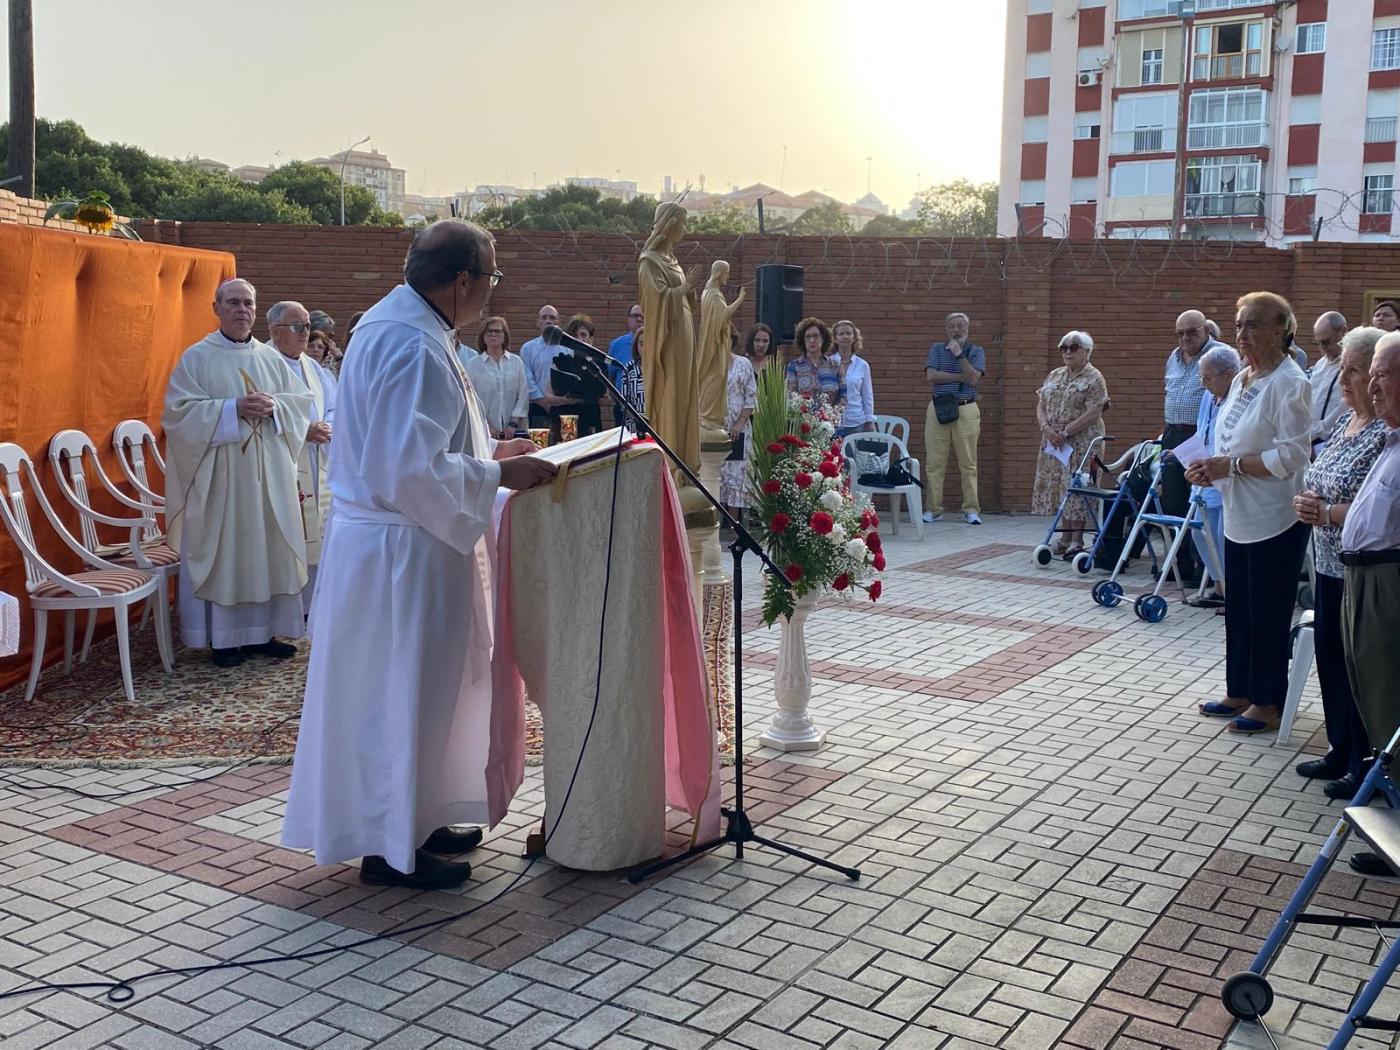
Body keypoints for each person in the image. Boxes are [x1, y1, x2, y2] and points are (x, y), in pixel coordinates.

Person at [282, 219, 557, 890]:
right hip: (399, 554)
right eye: (490, 278)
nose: (491, 293)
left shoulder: (406, 326)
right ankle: (388, 848)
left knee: (427, 691)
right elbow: (409, 469)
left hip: (402, 546)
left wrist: (494, 453)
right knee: (396, 694)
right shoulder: (411, 343)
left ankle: (423, 814)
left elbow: (413, 442)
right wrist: (498, 477)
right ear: (461, 279)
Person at [161, 278, 315, 668]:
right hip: (222, 478)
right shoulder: (196, 358)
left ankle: (264, 633)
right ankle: (225, 639)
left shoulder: (270, 358)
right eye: (232, 302)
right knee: (228, 550)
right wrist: (231, 409)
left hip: (269, 475)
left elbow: (299, 406)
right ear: (216, 308)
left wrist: (275, 408)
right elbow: (177, 415)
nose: (241, 309)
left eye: (247, 303)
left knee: (269, 548)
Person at [1186, 291, 1312, 736]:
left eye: (1254, 324)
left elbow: (1293, 455)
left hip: (1275, 515)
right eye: (1239, 324)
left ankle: (1268, 700)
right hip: (1238, 509)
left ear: (1281, 330)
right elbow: (1230, 440)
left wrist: (1233, 466)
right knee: (1239, 606)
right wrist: (1209, 467)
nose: (1243, 333)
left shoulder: (1290, 381)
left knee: (1268, 610)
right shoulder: (1243, 378)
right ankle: (1239, 689)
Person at [1290, 327, 1387, 798]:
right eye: (1342, 367)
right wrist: (1309, 503)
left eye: (1353, 368)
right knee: (1329, 658)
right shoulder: (1344, 424)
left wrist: (1325, 512)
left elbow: (1376, 506)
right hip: (1327, 562)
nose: (1343, 378)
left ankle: (1362, 761)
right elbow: (1322, 477)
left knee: (1356, 668)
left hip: (1363, 570)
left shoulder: (1382, 433)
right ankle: (1339, 746)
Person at [1334, 333, 1400, 876]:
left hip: (1388, 586)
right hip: (1362, 581)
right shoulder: (1391, 440)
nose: (1373, 386)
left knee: (1391, 705)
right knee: (1377, 707)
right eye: (1370, 374)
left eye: (1385, 373)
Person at [266, 300, 335, 614]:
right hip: (281, 460)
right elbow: (262, 414)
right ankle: (287, 609)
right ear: (275, 330)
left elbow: (334, 405)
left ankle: (312, 604)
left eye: (307, 326)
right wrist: (301, 429)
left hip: (317, 456)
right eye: (297, 326)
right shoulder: (263, 362)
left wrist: (326, 427)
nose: (305, 333)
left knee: (317, 531)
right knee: (287, 535)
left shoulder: (313, 367)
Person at [1160, 310, 1230, 586]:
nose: (1185, 338)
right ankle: (1183, 564)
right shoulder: (1174, 358)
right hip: (1174, 433)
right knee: (1176, 499)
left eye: (1191, 332)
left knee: (1204, 502)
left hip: (1203, 437)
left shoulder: (1220, 355)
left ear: (1206, 330)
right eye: (1180, 333)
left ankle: (1209, 571)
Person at [1031, 331, 1109, 556]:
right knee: (1060, 485)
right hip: (1054, 441)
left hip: (1082, 442)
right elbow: (1041, 404)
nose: (1067, 352)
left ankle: (1077, 539)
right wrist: (1046, 429)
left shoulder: (1094, 377)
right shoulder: (1055, 374)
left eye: (1073, 347)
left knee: (1078, 485)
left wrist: (1066, 432)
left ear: (1086, 351)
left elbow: (1095, 410)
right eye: (1063, 347)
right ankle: (1064, 537)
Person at [1187, 344, 1242, 598]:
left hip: (1225, 472)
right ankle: (1218, 580)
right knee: (1198, 528)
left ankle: (1231, 588)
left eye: (1207, 377)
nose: (1203, 382)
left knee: (1222, 532)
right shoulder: (1209, 397)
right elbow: (1202, 430)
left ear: (1229, 374)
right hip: (1202, 469)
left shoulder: (1239, 397)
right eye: (1202, 376)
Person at [923, 311, 985, 525]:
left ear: (967, 328)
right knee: (934, 462)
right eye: (952, 326)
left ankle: (971, 509)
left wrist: (960, 355)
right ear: (946, 329)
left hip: (966, 408)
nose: (956, 330)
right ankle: (933, 508)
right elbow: (931, 376)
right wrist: (961, 377)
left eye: (960, 326)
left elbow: (974, 380)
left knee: (968, 463)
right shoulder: (936, 349)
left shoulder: (975, 351)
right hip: (939, 407)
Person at [464, 315, 528, 440]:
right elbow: (472, 400)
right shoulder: (473, 364)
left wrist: (512, 424)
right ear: (483, 336)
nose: (493, 334)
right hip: (485, 432)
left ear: (505, 336)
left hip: (515, 431)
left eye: (498, 331)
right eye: (489, 331)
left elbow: (523, 395)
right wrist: (487, 426)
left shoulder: (516, 362)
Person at [719, 326, 758, 519]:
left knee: (737, 477)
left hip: (739, 429)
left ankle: (735, 529)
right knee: (717, 476)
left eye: (725, 337)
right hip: (714, 429)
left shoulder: (744, 364)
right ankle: (714, 529)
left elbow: (751, 396)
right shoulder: (705, 364)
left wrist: (739, 422)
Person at [519, 304, 565, 428]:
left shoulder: (568, 349)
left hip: (564, 408)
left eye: (552, 317)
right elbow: (527, 379)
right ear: (538, 322)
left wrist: (560, 401)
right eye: (544, 317)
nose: (548, 321)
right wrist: (543, 401)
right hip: (537, 407)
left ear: (558, 321)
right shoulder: (528, 348)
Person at [1309, 311, 1348, 454]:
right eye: (1318, 343)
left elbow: (1346, 405)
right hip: (1310, 441)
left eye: (1326, 342)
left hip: (1332, 442)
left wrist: (1316, 433)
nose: (1322, 348)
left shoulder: (1353, 364)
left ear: (1343, 331)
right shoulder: (1320, 364)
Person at [832, 320, 875, 438]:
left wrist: (869, 421)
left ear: (854, 338)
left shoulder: (863, 365)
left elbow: (867, 395)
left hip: (856, 422)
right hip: (832, 421)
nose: (845, 336)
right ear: (835, 339)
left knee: (854, 456)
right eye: (841, 334)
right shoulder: (828, 363)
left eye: (848, 333)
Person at [786, 317, 840, 404]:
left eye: (815, 336)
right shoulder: (794, 366)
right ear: (802, 340)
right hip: (803, 416)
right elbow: (790, 397)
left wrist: (834, 414)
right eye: (808, 336)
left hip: (832, 416)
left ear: (823, 338)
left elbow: (844, 394)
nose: (812, 340)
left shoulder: (835, 365)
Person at [608, 304, 643, 425]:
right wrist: (618, 399)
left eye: (643, 316)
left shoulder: (656, 343)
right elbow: (610, 377)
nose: (639, 319)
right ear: (628, 319)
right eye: (635, 316)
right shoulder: (617, 345)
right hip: (623, 407)